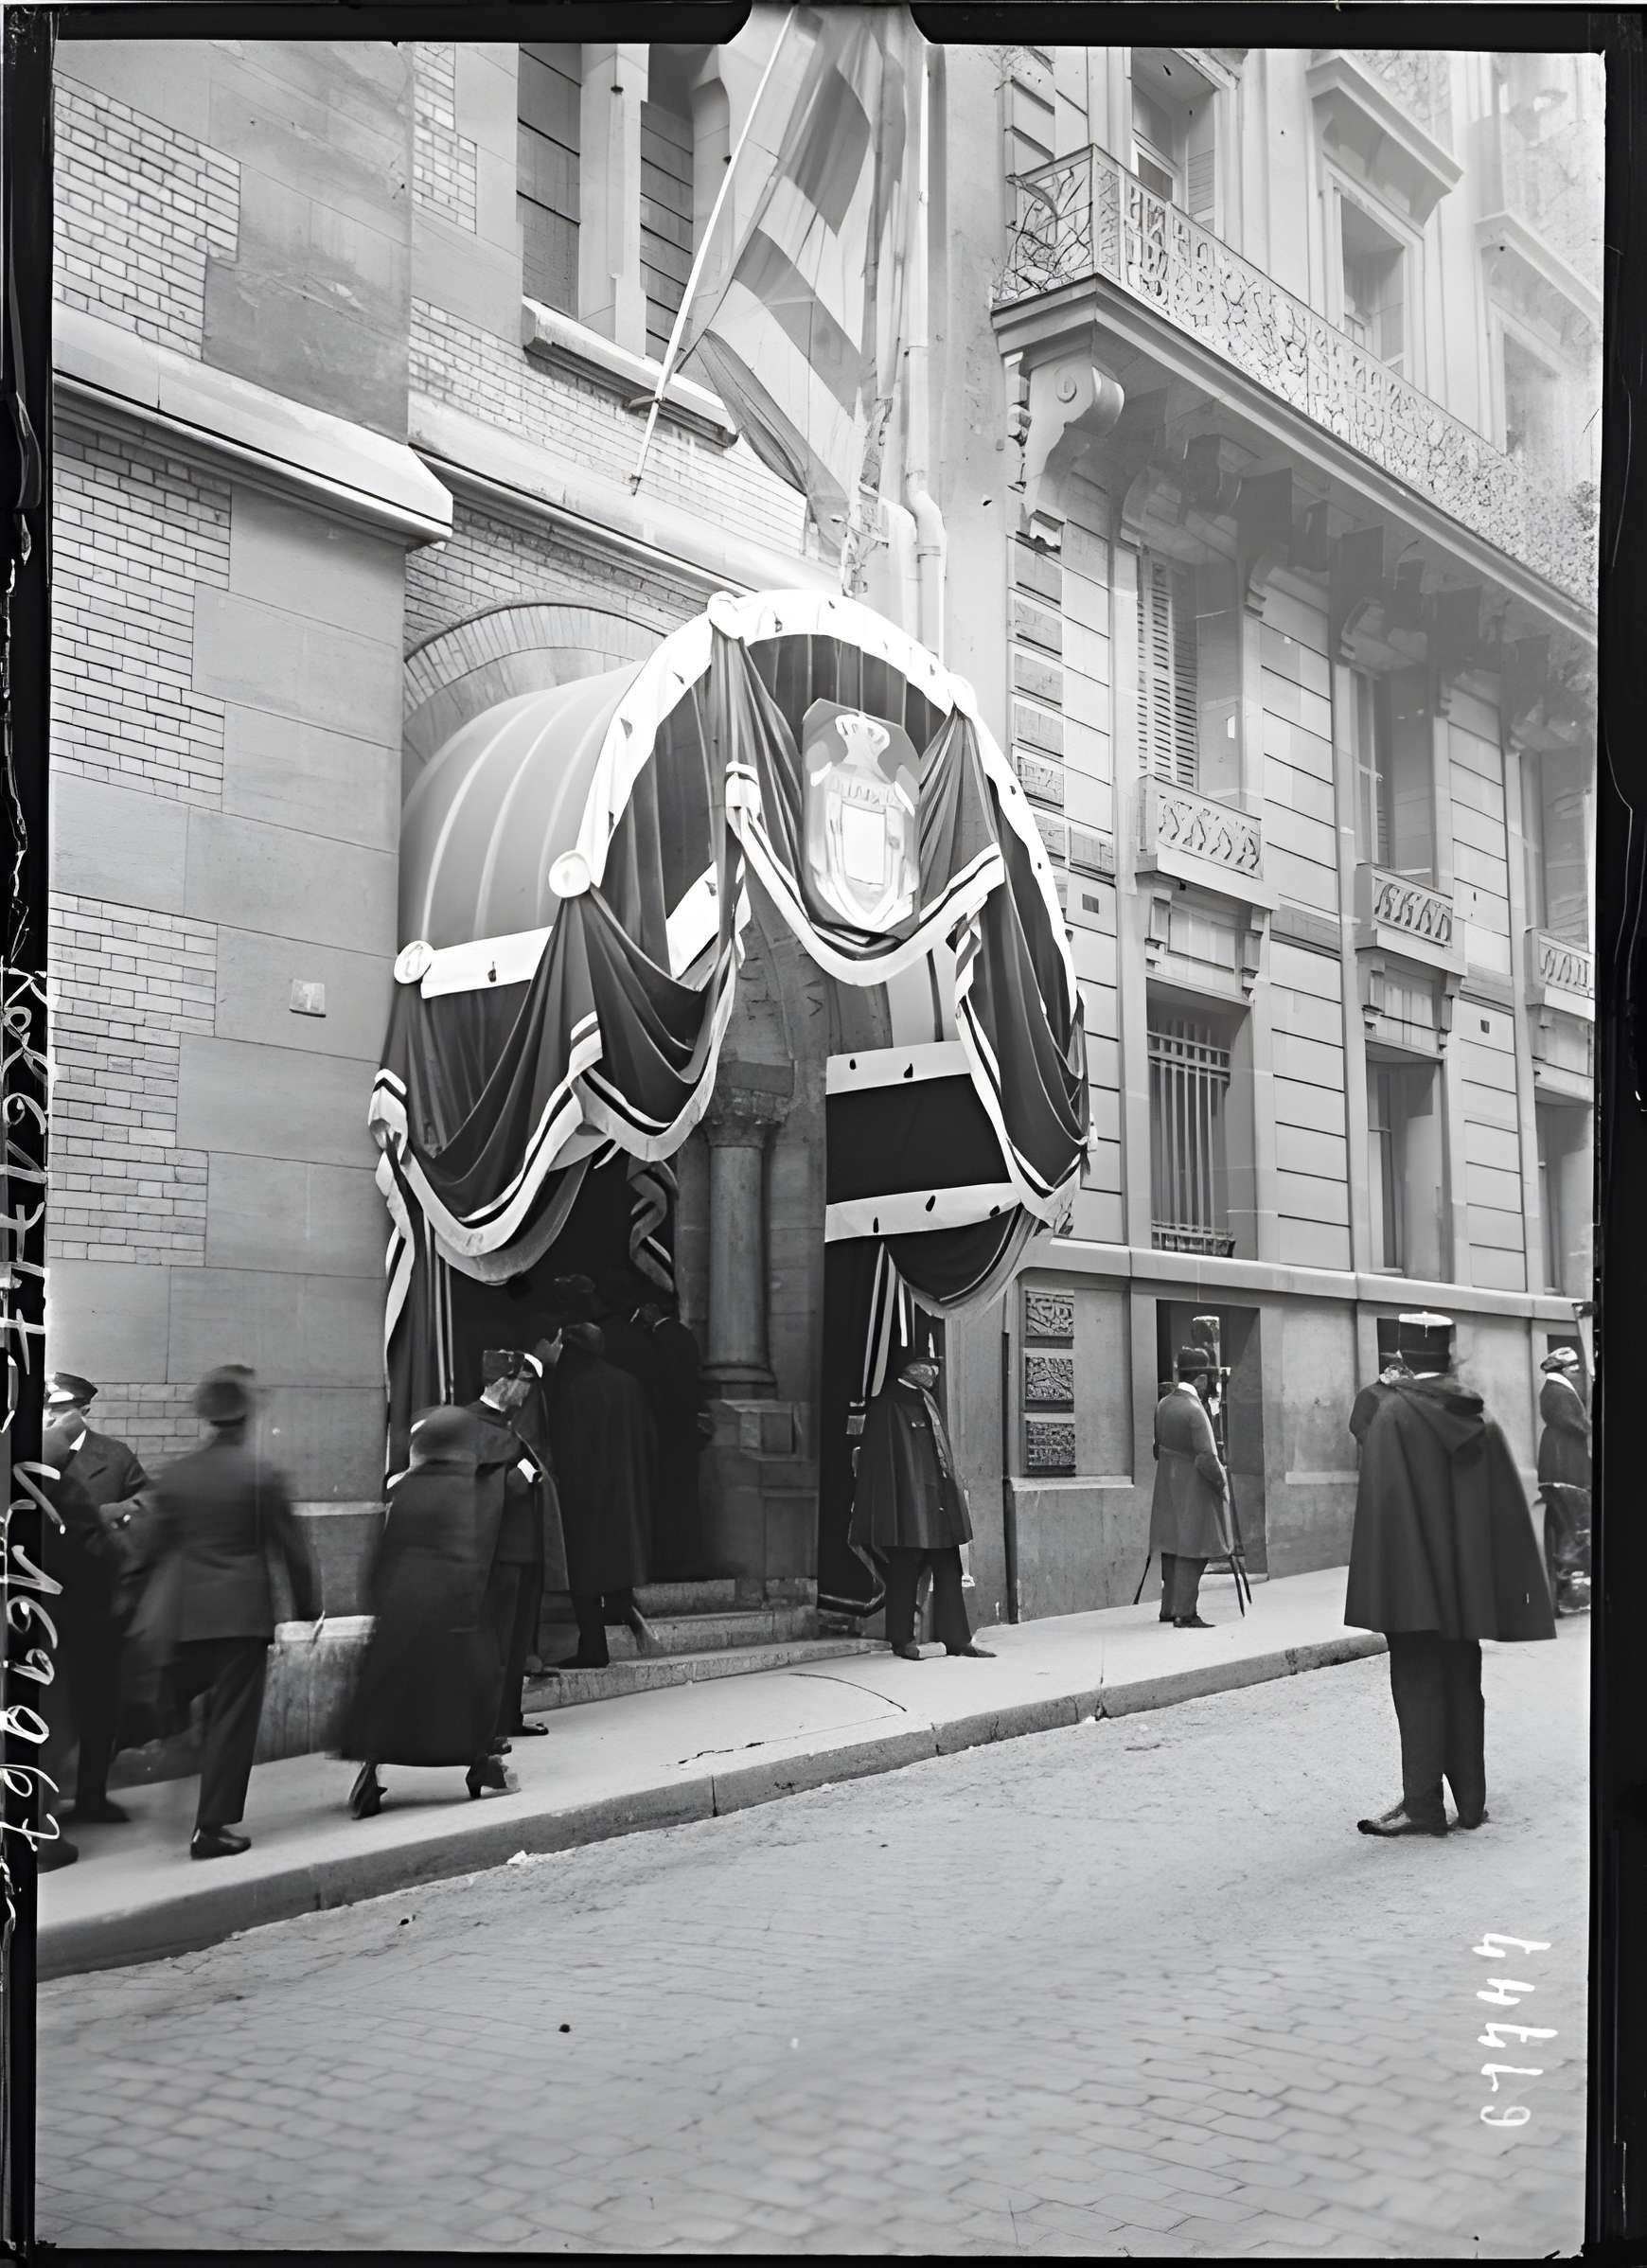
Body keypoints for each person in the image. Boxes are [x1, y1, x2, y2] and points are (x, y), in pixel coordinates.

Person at [1346, 1311, 1555, 1838]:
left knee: (1416, 1685)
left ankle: (1422, 1806)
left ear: (1404, 1357)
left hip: (1414, 1585)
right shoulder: (1478, 1416)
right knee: (1464, 1682)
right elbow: (1498, 1509)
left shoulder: (1393, 1415)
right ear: (1446, 1354)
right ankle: (1471, 1803)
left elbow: (1386, 1508)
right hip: (1463, 1588)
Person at [129, 1365, 322, 1860]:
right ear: (246, 1417)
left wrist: (132, 1601)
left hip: (186, 1616)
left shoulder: (177, 1475)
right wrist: (308, 1609)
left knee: (190, 1702)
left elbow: (150, 1548)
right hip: (242, 1617)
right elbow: (292, 1549)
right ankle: (211, 1827)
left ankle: (179, 1754)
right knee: (232, 1723)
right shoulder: (261, 1476)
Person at [341, 1407, 516, 1816]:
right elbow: (461, 1552)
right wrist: (469, 1604)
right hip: (443, 1605)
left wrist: (377, 1600)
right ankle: (479, 1767)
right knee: (470, 1687)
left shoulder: (407, 1487)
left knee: (390, 1692)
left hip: (402, 1604)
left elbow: (383, 1551)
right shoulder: (459, 1489)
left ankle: (370, 1772)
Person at [41, 1373, 152, 1823]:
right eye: (45, 1409)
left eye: (56, 1410)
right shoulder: (24, 1451)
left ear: (81, 1410)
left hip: (97, 1603)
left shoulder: (114, 1456)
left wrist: (105, 1518)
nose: (48, 1416)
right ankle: (39, 1804)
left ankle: (92, 1796)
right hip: (41, 1606)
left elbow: (146, 1505)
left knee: (99, 1706)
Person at [540, 1280, 661, 1669]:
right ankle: (622, 1607)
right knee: (616, 1557)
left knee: (585, 1570)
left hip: (585, 1490)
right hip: (626, 1488)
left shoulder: (571, 1389)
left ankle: (594, 1646)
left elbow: (566, 1445)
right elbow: (649, 1440)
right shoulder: (628, 1384)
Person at [850, 1353, 994, 1661]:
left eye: (936, 1366)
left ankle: (957, 1640)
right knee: (904, 1571)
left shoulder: (926, 1400)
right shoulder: (888, 1404)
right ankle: (901, 1640)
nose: (934, 1371)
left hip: (938, 1502)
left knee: (949, 1569)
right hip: (908, 1505)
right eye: (928, 1365)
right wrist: (898, 1507)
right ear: (910, 1367)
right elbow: (884, 1467)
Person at [34, 1420, 126, 1871]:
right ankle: (40, 1838)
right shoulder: (63, 1495)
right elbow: (96, 1560)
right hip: (64, 1631)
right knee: (51, 1732)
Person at [467, 1350, 553, 1751]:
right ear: (504, 1382)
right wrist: (519, 1479)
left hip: (524, 1550)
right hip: (499, 1553)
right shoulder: (470, 1424)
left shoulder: (508, 1423)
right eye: (524, 1382)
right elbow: (474, 1490)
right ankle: (491, 1726)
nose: (528, 1391)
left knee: (517, 1642)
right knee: (497, 1642)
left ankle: (510, 1717)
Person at [1148, 1349, 1232, 1630]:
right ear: (1198, 1379)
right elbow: (1207, 1457)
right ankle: (1186, 1612)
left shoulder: (1163, 1404)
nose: (1209, 1383)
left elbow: (1156, 1448)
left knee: (1172, 1545)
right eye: (1207, 1378)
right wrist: (1221, 1485)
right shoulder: (1195, 1410)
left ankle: (1169, 1608)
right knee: (1194, 1547)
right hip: (1192, 1486)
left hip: (1166, 1483)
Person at [1536, 1347, 1591, 1616]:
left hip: (1558, 1467)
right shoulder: (1560, 1393)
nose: (1578, 1372)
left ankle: (1563, 1595)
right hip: (1565, 1468)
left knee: (1563, 1530)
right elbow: (1577, 1425)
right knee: (1570, 1531)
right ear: (1564, 1370)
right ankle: (1565, 1594)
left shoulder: (1554, 1390)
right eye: (1574, 1368)